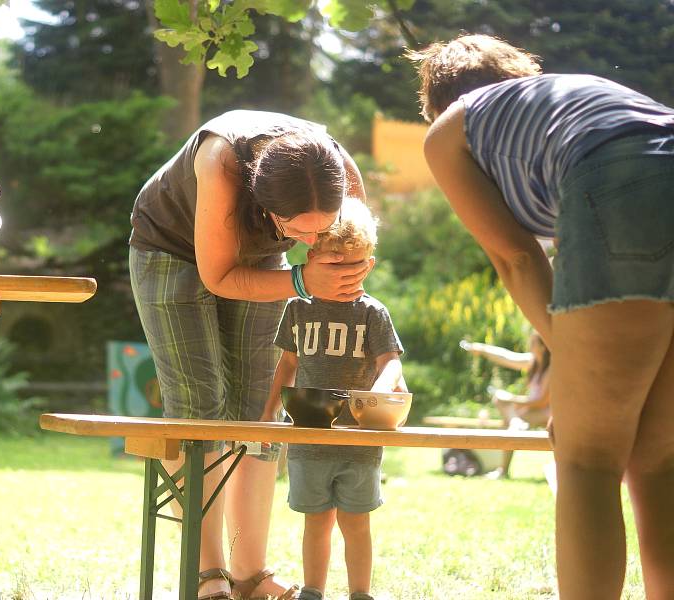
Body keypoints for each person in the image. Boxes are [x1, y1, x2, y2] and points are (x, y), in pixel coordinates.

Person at [411, 34, 674, 599]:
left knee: (587, 457)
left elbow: (516, 258)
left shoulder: (449, 131)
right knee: (658, 462)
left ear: (437, 102)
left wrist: (572, 372)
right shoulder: (560, 102)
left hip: (619, 179)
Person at [129, 110, 373, 600]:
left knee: (262, 407)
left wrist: (346, 271)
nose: (309, 241)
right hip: (169, 251)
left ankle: (251, 575)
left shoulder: (339, 171)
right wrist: (304, 278)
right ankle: (208, 574)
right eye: (298, 231)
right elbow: (218, 275)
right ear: (264, 203)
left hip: (261, 259)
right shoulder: (221, 163)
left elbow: (356, 246)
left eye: (320, 229)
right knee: (200, 402)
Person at [260, 197, 406, 600]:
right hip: (308, 433)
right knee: (316, 521)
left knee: (356, 522)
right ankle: (313, 591)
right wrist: (268, 413)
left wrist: (383, 388)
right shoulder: (298, 307)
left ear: (369, 264)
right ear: (313, 257)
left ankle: (360, 592)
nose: (345, 274)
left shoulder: (372, 313)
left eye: (355, 265)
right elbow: (286, 364)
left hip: (358, 436)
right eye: (335, 264)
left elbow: (391, 363)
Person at [460, 332, 551, 478]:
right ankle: (516, 422)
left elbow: (541, 401)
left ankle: (503, 470)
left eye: (533, 343)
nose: (530, 346)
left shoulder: (551, 369)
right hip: (532, 409)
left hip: (547, 413)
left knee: (507, 415)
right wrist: (481, 349)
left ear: (543, 347)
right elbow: (507, 357)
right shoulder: (534, 362)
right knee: (500, 400)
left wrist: (512, 398)